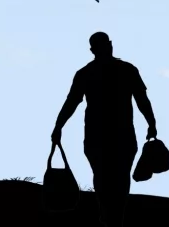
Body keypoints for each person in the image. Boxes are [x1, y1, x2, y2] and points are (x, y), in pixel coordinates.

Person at [51, 32, 157, 227]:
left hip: (99, 135)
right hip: (118, 134)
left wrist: (58, 126)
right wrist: (151, 123)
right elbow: (142, 99)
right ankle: (114, 219)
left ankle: (108, 218)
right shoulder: (126, 70)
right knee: (118, 178)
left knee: (103, 177)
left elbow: (72, 102)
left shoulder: (87, 73)